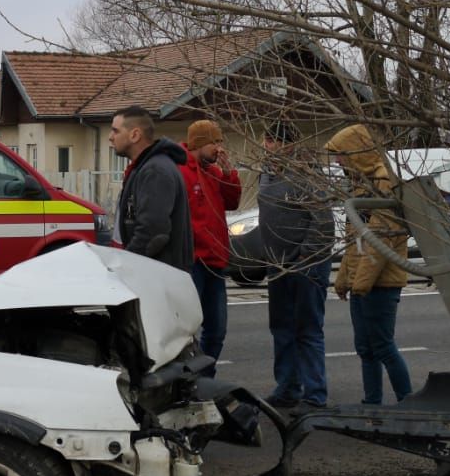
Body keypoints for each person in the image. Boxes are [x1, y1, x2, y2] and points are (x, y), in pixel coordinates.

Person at [326, 123, 412, 405]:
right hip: (362, 282)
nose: (337, 161)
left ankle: (408, 402)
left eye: (341, 155)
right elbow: (356, 238)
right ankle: (371, 402)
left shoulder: (384, 181)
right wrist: (344, 279)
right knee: (365, 347)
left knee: (383, 346)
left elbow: (380, 238)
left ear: (356, 151)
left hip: (382, 281)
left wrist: (359, 283)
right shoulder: (361, 183)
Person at [258, 122, 332, 411]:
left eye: (272, 141)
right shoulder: (266, 173)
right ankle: (287, 387)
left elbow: (323, 221)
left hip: (306, 265)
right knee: (281, 328)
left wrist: (305, 258)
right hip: (277, 265)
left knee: (308, 330)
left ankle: (315, 395)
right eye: (266, 140)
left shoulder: (307, 173)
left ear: (288, 145)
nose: (266, 146)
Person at [179, 118, 243, 371]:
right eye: (215, 142)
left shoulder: (214, 172)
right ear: (199, 143)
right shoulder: (181, 170)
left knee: (217, 328)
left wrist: (229, 174)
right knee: (186, 329)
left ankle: (205, 379)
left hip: (215, 261)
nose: (220, 148)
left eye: (220, 141)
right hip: (194, 261)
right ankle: (188, 381)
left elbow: (232, 202)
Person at [109, 105, 193, 270]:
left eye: (116, 131)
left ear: (135, 135)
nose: (110, 137)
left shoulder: (155, 171)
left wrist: (127, 264)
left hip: (158, 275)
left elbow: (153, 231)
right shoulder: (143, 168)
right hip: (152, 272)